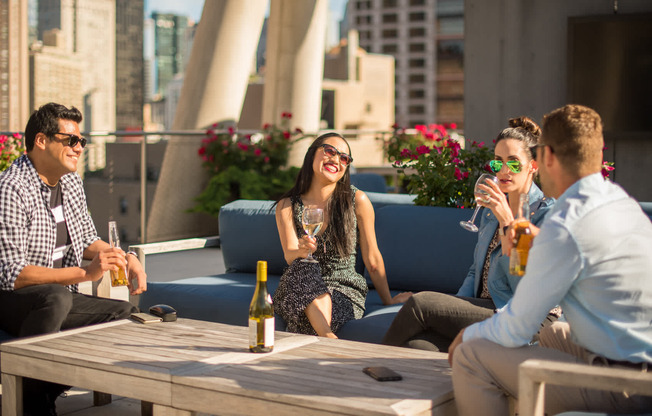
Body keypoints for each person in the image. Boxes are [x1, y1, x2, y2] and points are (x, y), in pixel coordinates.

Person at [449, 104, 652, 415]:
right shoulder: (621, 203)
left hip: (623, 386)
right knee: (551, 333)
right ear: (597, 153)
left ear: (544, 159)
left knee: (471, 354)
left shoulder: (565, 222)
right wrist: (536, 242)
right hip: (638, 362)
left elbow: (517, 327)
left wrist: (467, 334)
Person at [0, 103, 147, 415]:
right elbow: (13, 275)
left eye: (82, 141)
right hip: (9, 298)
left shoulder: (70, 182)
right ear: (41, 141)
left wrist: (125, 257)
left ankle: (33, 394)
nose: (79, 148)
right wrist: (84, 275)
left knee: (124, 314)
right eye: (71, 140)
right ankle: (34, 405)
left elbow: (87, 241)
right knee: (55, 299)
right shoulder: (12, 188)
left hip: (55, 297)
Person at [383, 117, 554, 351]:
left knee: (420, 303)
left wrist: (508, 222)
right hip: (484, 309)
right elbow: (476, 270)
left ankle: (366, 371)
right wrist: (453, 307)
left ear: (533, 166)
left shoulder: (544, 215)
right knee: (418, 345)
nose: (504, 170)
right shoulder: (490, 212)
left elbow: (521, 287)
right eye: (497, 163)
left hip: (523, 316)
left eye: (513, 163)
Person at [272, 132, 412, 338]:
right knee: (302, 265)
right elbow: (289, 255)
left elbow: (372, 258)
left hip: (343, 288)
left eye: (344, 158)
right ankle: (327, 336)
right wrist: (302, 251)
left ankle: (323, 334)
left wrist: (388, 301)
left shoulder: (357, 200)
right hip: (299, 282)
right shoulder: (287, 206)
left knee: (304, 321)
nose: (336, 159)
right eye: (330, 151)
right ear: (312, 155)